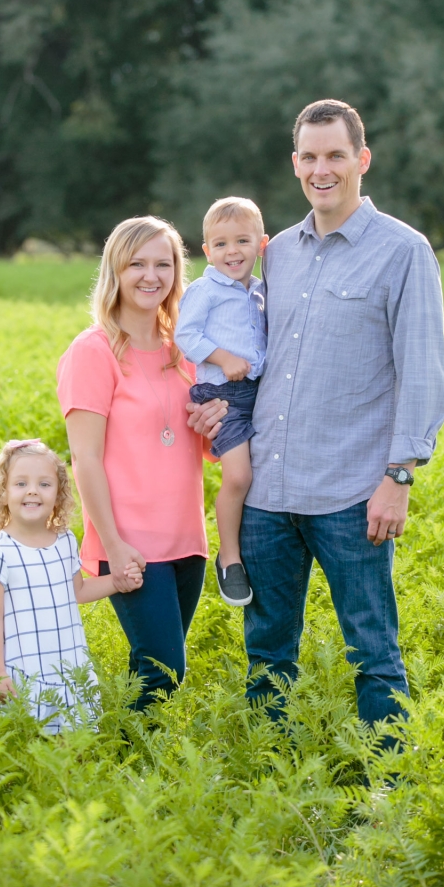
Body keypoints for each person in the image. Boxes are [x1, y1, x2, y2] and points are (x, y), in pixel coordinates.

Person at [188, 98, 444, 733]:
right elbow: (234, 338)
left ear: (362, 159)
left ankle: (387, 786)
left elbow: (422, 372)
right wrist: (214, 403)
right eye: (309, 156)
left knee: (374, 653)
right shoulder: (275, 253)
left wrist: (400, 477)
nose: (321, 168)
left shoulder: (403, 252)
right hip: (269, 494)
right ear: (295, 163)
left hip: (351, 495)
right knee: (268, 652)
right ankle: (274, 779)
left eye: (335, 155)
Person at [57, 217, 210, 712]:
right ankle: (133, 773)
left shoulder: (186, 349)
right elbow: (85, 459)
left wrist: (215, 423)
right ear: (115, 272)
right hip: (129, 542)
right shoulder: (93, 350)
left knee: (157, 669)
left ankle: (131, 764)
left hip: (187, 539)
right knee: (163, 667)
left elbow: (201, 448)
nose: (151, 275)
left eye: (162, 263)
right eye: (136, 264)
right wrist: (114, 545)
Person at [0, 438, 142, 734]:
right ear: (2, 493)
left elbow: (77, 592)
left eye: (44, 484)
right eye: (20, 483)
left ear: (58, 494)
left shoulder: (64, 541)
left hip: (66, 667)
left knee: (72, 748)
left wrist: (118, 582)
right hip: (23, 670)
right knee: (28, 745)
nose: (32, 491)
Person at [175, 197, 268, 607]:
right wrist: (223, 358)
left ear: (261, 244)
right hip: (222, 396)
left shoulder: (261, 291)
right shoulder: (205, 290)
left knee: (262, 476)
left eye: (243, 241)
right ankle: (229, 557)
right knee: (238, 478)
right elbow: (186, 336)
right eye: (222, 244)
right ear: (207, 251)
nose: (233, 252)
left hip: (259, 393)